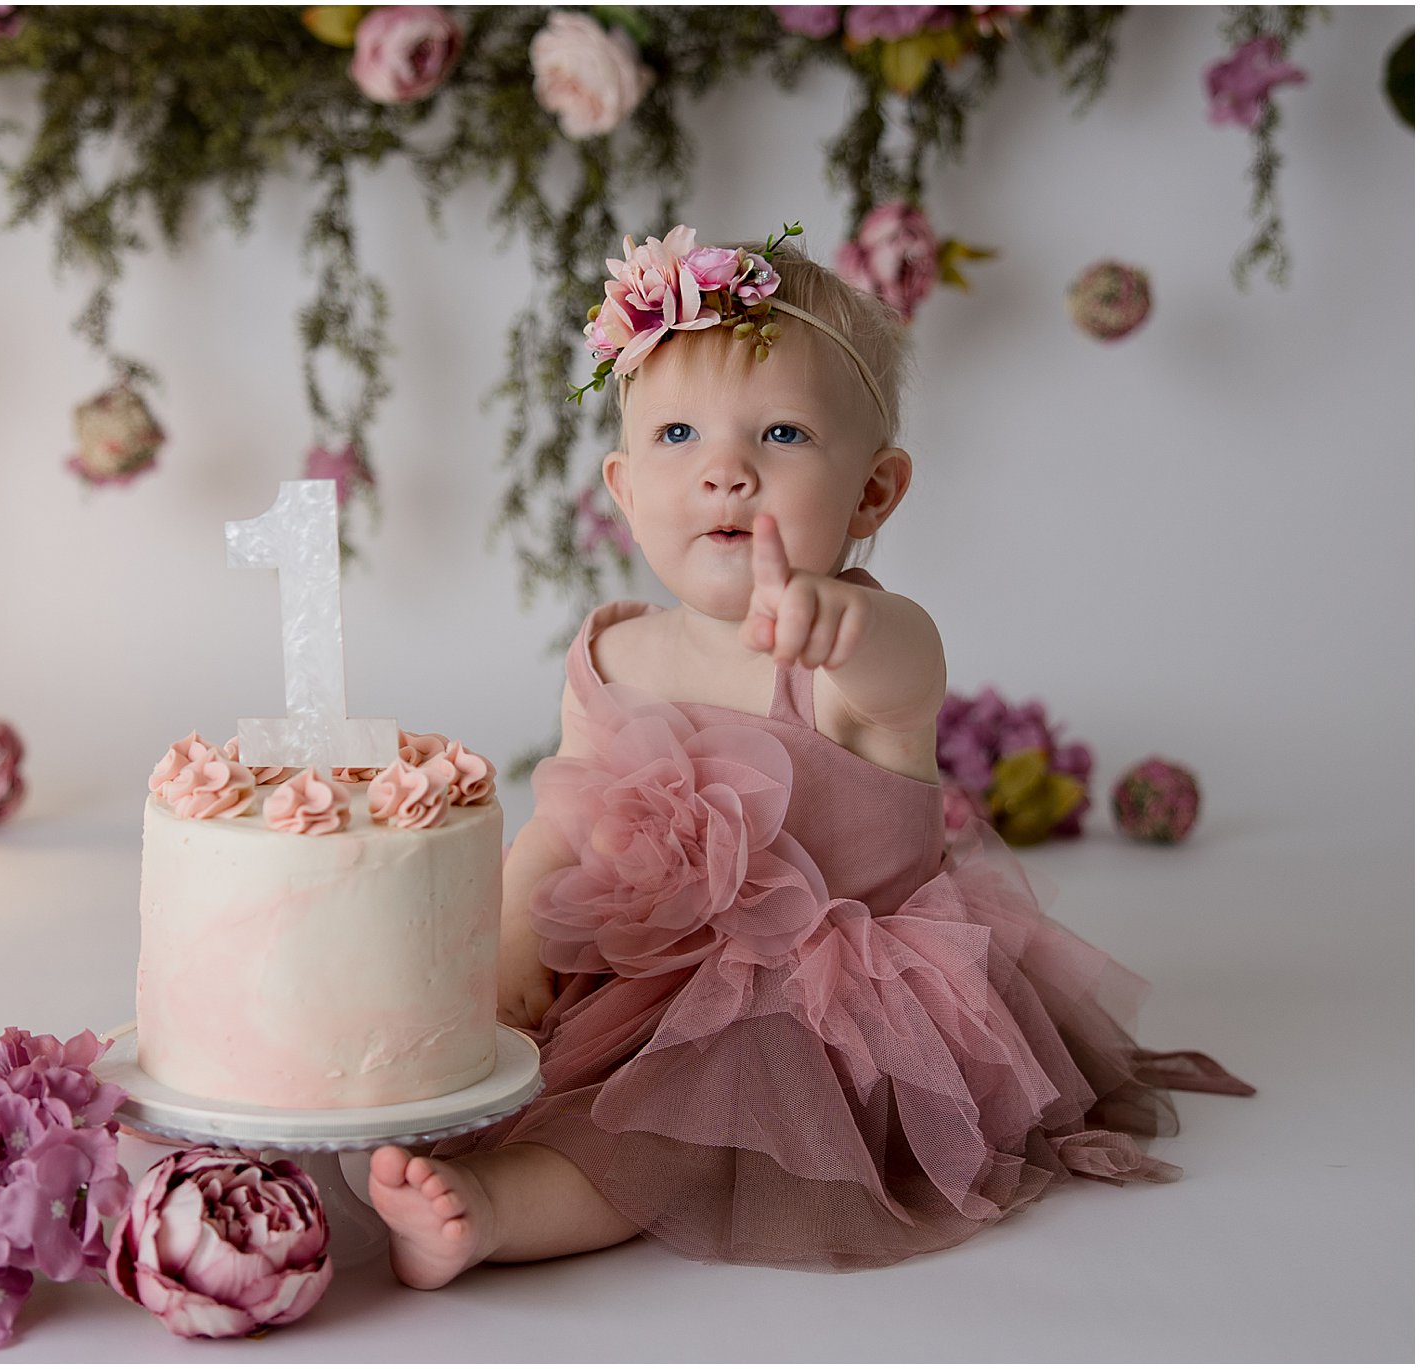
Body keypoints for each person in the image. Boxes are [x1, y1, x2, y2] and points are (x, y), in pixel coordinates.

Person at [366, 224, 1250, 1290]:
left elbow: (900, 674)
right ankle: (424, 1142)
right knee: (491, 1053)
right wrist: (509, 949)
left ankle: (502, 1212)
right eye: (679, 433)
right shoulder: (613, 652)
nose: (725, 471)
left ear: (872, 494)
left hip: (818, 1003)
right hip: (640, 972)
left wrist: (838, 626)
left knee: (676, 1120)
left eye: (780, 434)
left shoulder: (858, 652)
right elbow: (561, 822)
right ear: (623, 486)